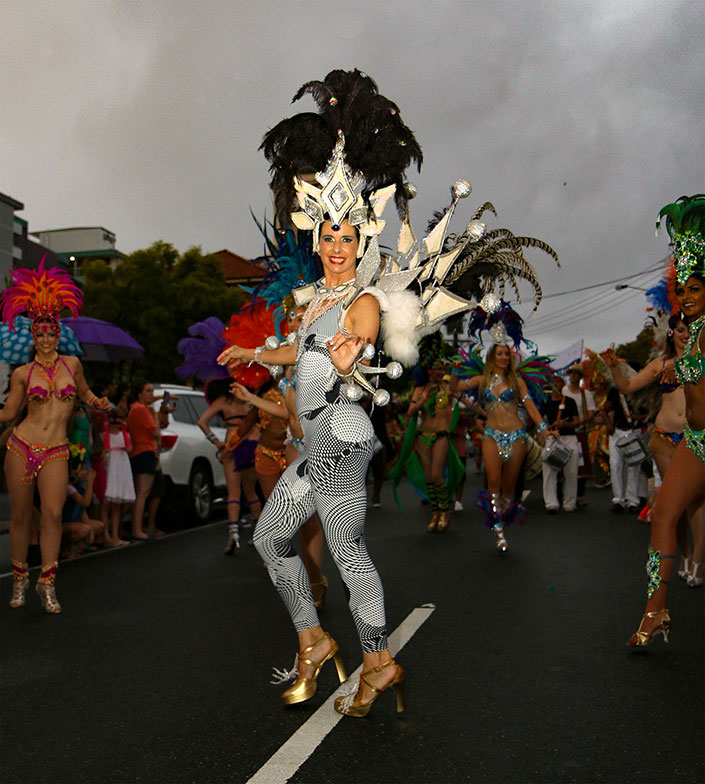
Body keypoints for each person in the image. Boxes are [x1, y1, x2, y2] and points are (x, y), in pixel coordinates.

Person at [0, 259, 110, 612]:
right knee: (20, 517)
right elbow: (9, 413)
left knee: (51, 514)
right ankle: (19, 579)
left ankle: (47, 583)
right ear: (32, 335)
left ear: (58, 334)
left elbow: (85, 394)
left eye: (51, 333)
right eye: (40, 333)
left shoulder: (72, 365)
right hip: (20, 446)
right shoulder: (21, 373)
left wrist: (99, 402)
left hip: (56, 451)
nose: (46, 339)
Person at [628, 195, 705, 645]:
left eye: (696, 288)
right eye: (684, 289)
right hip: (695, 443)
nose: (688, 296)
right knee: (663, 516)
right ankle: (655, 612)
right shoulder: (689, 333)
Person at [452, 332, 551, 552]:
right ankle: (498, 532)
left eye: (507, 354)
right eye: (500, 353)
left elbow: (531, 406)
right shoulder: (482, 380)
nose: (504, 357)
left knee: (509, 488)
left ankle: (501, 516)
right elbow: (454, 388)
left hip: (517, 436)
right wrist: (455, 370)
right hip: (491, 435)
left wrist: (543, 428)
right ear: (492, 356)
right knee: (493, 482)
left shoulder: (517, 382)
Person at [198, 377, 259, 554]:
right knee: (251, 491)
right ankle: (258, 533)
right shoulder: (250, 397)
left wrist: (217, 444)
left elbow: (202, 422)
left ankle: (233, 534)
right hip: (254, 443)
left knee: (234, 492)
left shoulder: (222, 401)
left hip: (232, 445)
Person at [126, 380, 168, 540]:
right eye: (148, 391)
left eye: (152, 391)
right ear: (139, 394)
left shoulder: (136, 409)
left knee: (140, 492)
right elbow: (156, 431)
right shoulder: (140, 409)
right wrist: (155, 416)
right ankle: (137, 528)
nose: (151, 394)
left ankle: (138, 527)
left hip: (140, 450)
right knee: (143, 493)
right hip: (145, 450)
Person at [540, 376, 580, 513]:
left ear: (562, 384)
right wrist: (541, 436)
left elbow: (577, 421)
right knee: (549, 471)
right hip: (552, 438)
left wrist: (564, 424)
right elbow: (539, 422)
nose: (555, 384)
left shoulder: (569, 401)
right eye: (552, 381)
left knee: (571, 471)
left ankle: (569, 503)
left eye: (557, 381)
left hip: (569, 438)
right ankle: (551, 503)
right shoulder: (545, 403)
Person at [562, 364, 595, 507]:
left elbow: (591, 412)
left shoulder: (585, 394)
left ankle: (579, 494)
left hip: (579, 431)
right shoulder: (563, 391)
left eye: (576, 374)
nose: (573, 377)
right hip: (564, 432)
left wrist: (579, 422)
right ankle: (564, 494)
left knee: (580, 466)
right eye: (571, 374)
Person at [102, 408, 134, 546]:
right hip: (111, 465)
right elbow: (106, 448)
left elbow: (129, 448)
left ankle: (115, 535)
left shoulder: (124, 434)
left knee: (117, 506)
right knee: (106, 504)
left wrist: (125, 430)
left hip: (121, 465)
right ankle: (106, 535)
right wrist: (107, 430)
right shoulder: (104, 434)